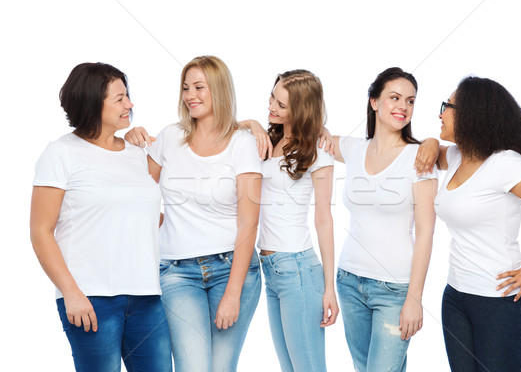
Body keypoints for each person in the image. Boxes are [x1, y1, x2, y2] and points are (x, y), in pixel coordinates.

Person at [424, 75, 521, 371]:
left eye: (447, 106)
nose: (440, 113)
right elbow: (431, 151)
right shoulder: (457, 156)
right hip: (455, 297)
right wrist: (430, 142)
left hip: (499, 304)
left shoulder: (504, 163)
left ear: (471, 114)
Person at [30, 62, 172, 371]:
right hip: (91, 299)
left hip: (147, 296)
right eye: (120, 98)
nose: (129, 104)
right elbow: (41, 230)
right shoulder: (61, 153)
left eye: (128, 96)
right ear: (93, 103)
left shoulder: (137, 153)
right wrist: (71, 293)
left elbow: (147, 220)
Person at [125, 55, 262, 371]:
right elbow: (133, 196)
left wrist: (233, 293)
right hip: (175, 271)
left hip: (231, 268)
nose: (190, 95)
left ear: (219, 90)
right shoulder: (170, 138)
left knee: (220, 367)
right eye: (186, 88)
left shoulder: (242, 143)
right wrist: (129, 143)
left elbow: (248, 224)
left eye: (199, 87)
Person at [326, 67, 438, 371]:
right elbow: (307, 132)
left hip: (395, 289)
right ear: (374, 101)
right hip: (349, 281)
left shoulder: (419, 159)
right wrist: (253, 125)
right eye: (394, 97)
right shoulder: (352, 148)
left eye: (411, 101)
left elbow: (426, 232)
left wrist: (415, 298)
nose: (403, 106)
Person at [240, 69, 339, 371]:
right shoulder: (268, 141)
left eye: (281, 105)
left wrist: (329, 287)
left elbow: (324, 218)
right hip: (269, 268)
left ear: (301, 110)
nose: (272, 106)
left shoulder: (318, 152)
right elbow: (223, 127)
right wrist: (254, 124)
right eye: (272, 97)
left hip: (297, 268)